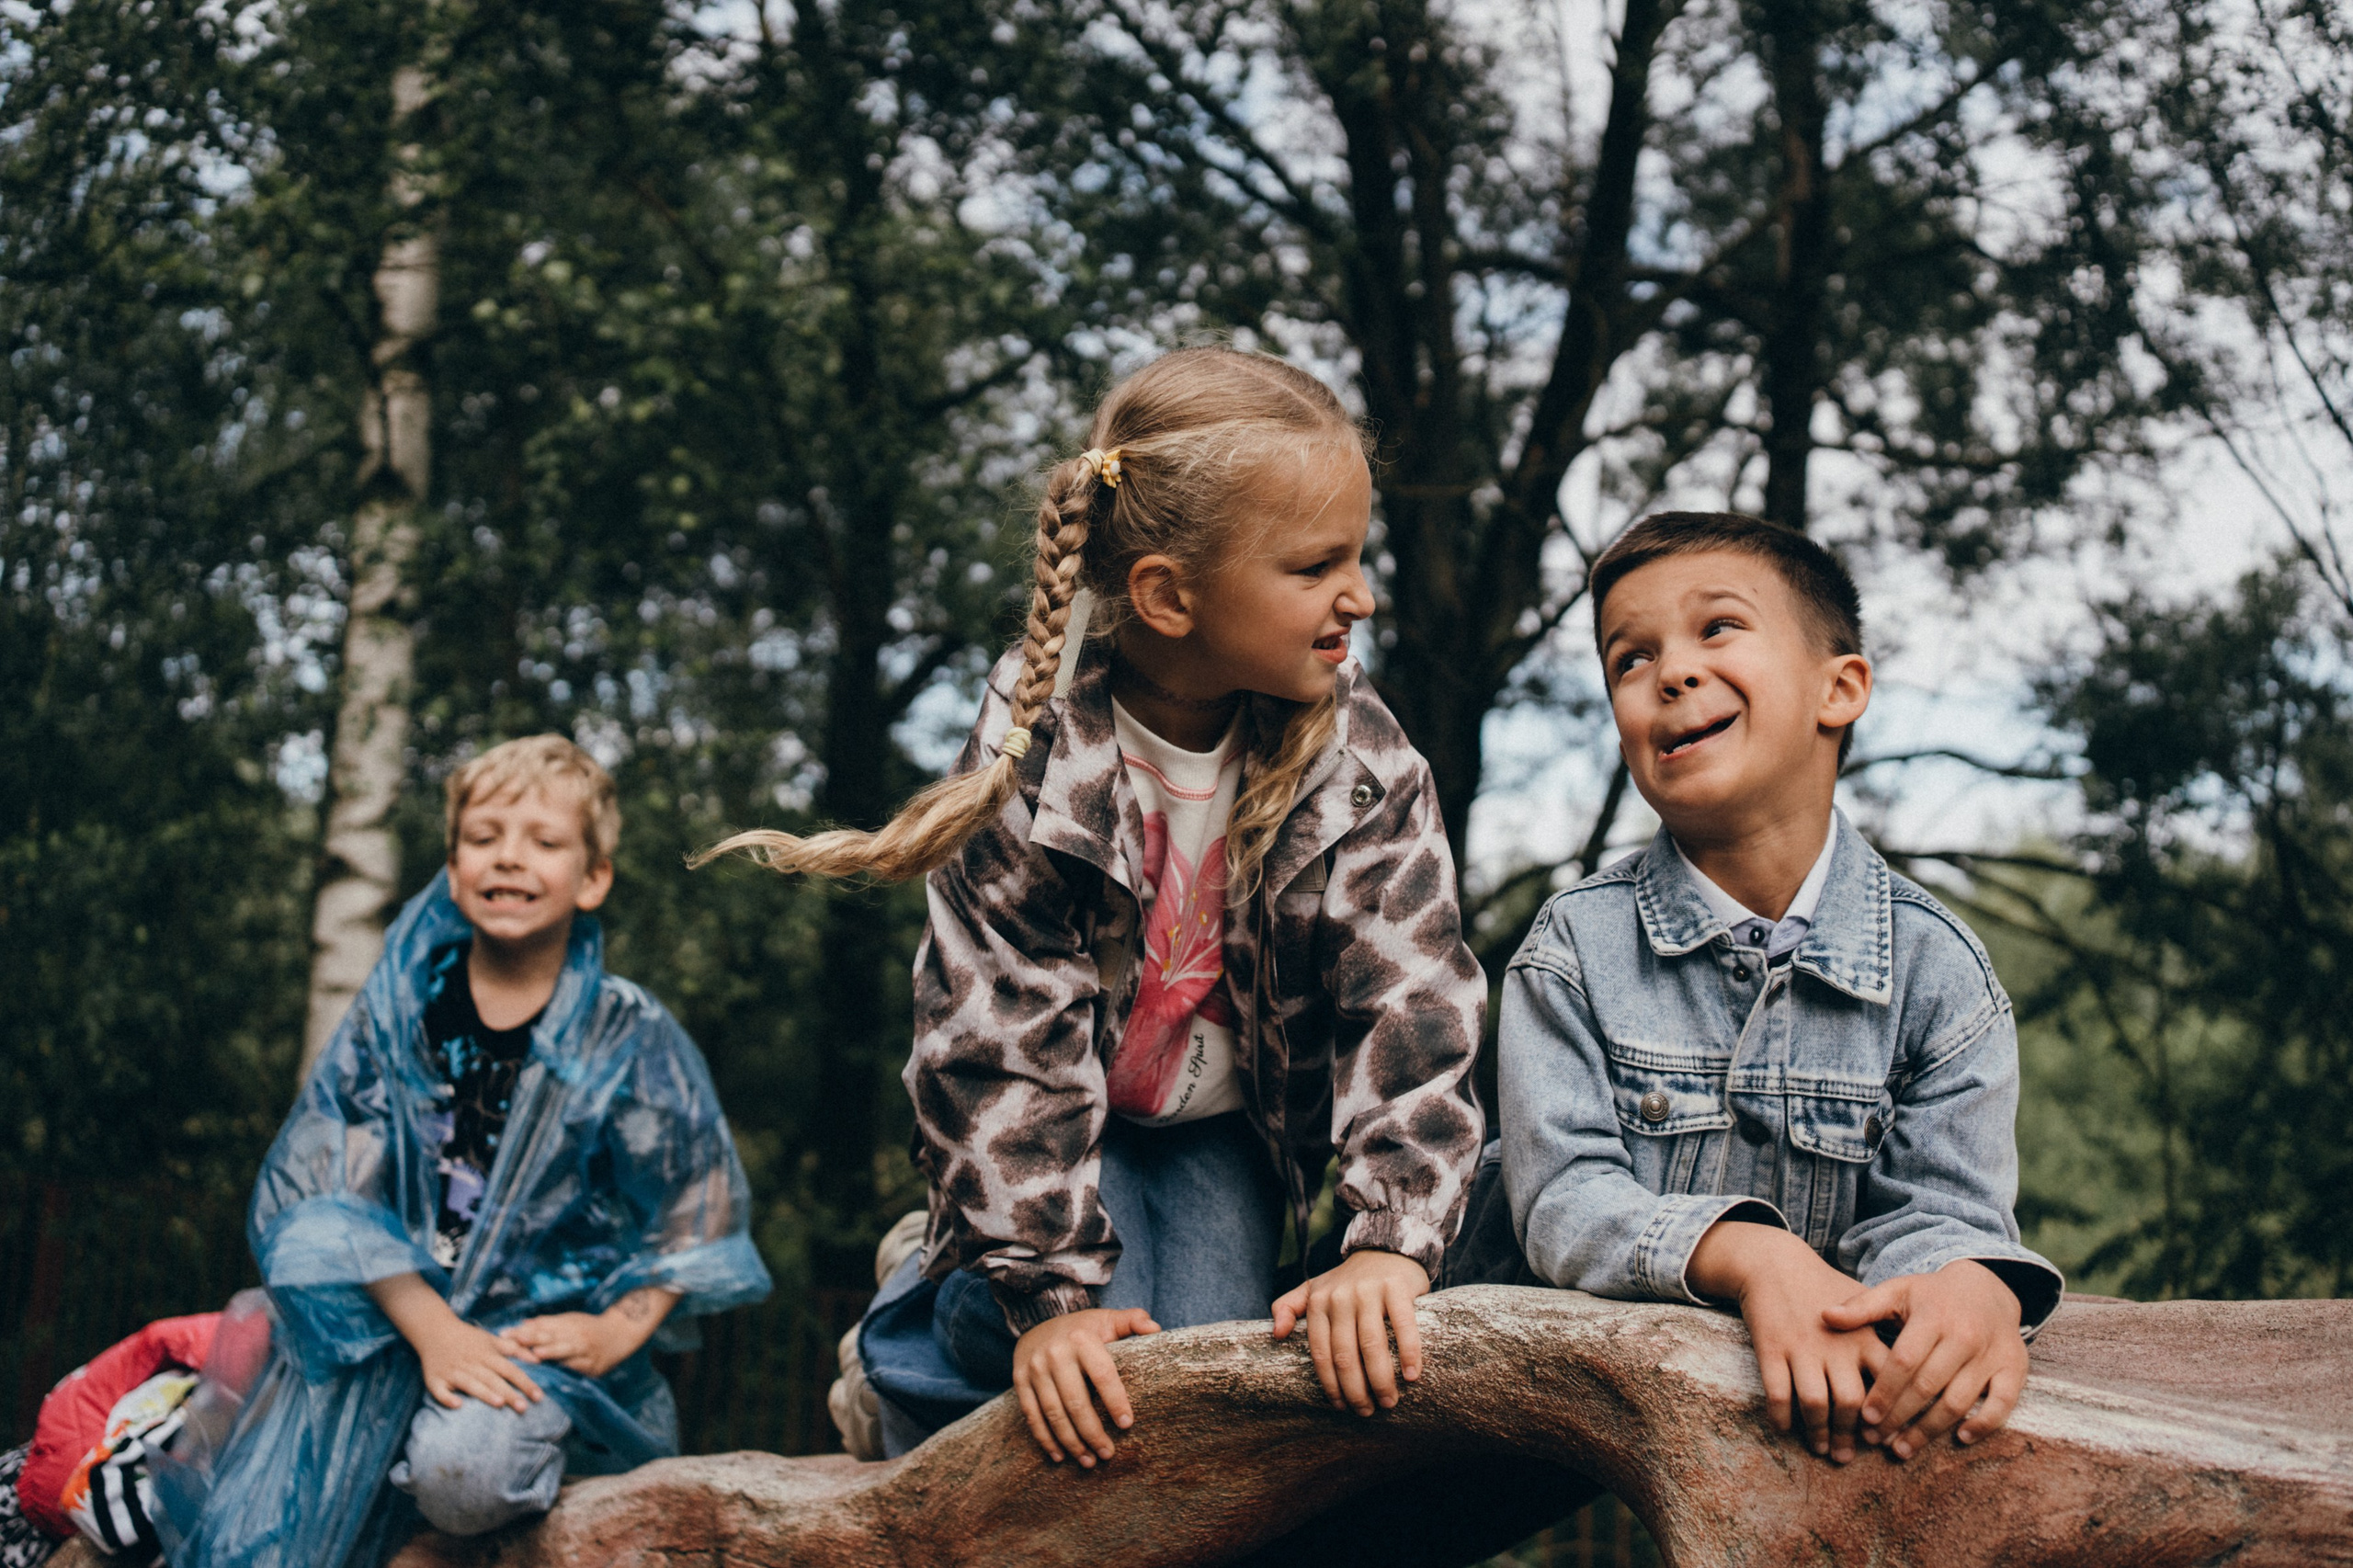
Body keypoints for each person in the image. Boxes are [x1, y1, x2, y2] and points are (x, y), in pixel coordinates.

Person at [698, 347, 1486, 1465]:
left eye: (1355, 556)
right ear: (1169, 595)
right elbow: (993, 1031)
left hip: (1225, 1132)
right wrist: (1042, 1295)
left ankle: (967, 1312)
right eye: (1316, 566)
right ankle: (927, 1321)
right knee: (1089, 1362)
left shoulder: (1361, 759)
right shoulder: (1036, 751)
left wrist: (1390, 1241)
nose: (1358, 593)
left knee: (1190, 1370)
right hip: (1061, 1112)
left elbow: (1413, 1000)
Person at [1498, 512, 2063, 1470]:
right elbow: (1561, 1198)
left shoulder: (1940, 971)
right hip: (1556, 1426)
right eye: (1629, 659)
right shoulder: (1572, 948)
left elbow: (1939, 1206)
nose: (1670, 670)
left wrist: (1971, 1282)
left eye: (1716, 628)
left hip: (1824, 1430)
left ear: (1837, 688)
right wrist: (1758, 1259)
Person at [157, 736, 769, 1568]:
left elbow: (696, 1201)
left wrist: (612, 1335)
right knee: (279, 1491)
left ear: (593, 878)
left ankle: (459, 1520)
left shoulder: (627, 1033)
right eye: (484, 838)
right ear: (451, 869)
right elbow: (329, 1192)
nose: (509, 859)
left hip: (531, 1348)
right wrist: (436, 1331)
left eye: (544, 842)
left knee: (461, 1475)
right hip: (402, 1317)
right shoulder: (402, 1013)